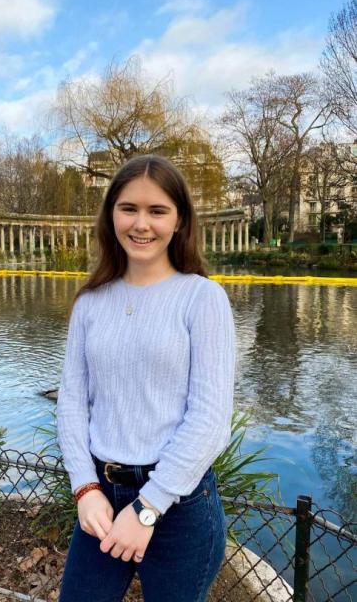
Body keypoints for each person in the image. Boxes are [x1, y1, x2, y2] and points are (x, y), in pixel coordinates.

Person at [57, 154, 236, 602]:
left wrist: (149, 506)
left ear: (179, 221)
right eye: (128, 208)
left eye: (157, 211)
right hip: (101, 492)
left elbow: (211, 418)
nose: (142, 224)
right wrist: (84, 486)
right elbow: (72, 401)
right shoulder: (91, 301)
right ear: (111, 215)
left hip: (179, 502)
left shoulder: (202, 298)